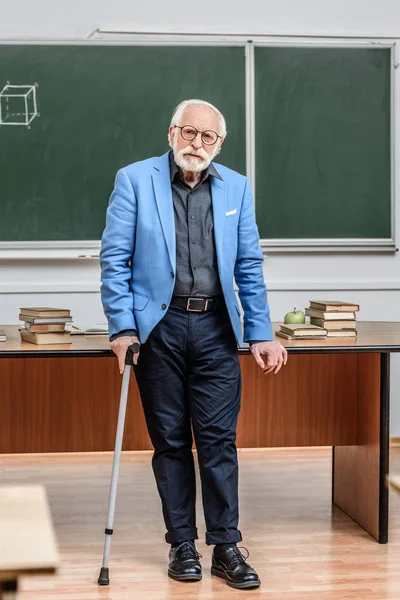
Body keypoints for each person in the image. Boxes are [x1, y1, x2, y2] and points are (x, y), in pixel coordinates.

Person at [100, 99, 288, 590]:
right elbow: (114, 260)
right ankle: (182, 543)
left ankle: (226, 546)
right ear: (171, 132)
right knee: (171, 443)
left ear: (219, 144)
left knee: (219, 443)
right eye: (189, 133)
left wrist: (262, 332)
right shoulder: (135, 180)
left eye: (208, 138)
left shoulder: (237, 188)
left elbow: (248, 265)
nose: (196, 144)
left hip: (216, 330)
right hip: (158, 331)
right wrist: (122, 328)